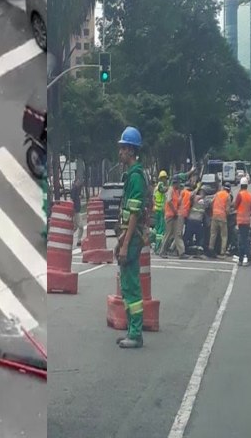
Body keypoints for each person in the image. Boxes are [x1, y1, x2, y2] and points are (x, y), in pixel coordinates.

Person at [114, 126, 148, 349]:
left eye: (123, 148)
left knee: (131, 286)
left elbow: (134, 214)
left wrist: (125, 245)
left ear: (130, 150)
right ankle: (131, 330)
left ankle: (135, 333)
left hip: (132, 239)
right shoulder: (132, 176)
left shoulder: (136, 177)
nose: (120, 153)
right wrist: (120, 240)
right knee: (126, 284)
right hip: (129, 235)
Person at [234, 177, 251, 266]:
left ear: (241, 185)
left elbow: (235, 206)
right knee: (243, 240)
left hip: (241, 221)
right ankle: (241, 260)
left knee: (243, 241)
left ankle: (249, 259)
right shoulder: (250, 196)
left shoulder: (240, 195)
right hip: (247, 220)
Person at [159, 176, 180, 259]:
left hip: (173, 215)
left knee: (174, 234)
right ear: (175, 183)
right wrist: (174, 210)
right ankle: (162, 251)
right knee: (168, 234)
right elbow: (169, 201)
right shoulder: (171, 190)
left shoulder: (175, 191)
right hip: (170, 215)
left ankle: (175, 250)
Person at [209, 184, 231, 258]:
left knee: (213, 234)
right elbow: (227, 210)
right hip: (222, 217)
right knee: (224, 236)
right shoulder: (228, 196)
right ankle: (222, 252)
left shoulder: (217, 194)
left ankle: (211, 249)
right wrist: (228, 213)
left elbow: (211, 202)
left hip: (214, 216)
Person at [185, 187, 206, 251]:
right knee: (199, 236)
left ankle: (186, 246)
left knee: (187, 235)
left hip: (191, 219)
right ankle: (198, 247)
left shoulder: (195, 198)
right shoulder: (203, 200)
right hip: (198, 221)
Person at [178, 182, 192, 255]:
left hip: (180, 212)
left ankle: (173, 248)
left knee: (179, 232)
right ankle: (175, 248)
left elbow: (179, 201)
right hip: (185, 214)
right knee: (179, 233)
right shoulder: (189, 194)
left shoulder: (183, 192)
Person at [70, 177, 84, 247]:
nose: (79, 183)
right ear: (75, 182)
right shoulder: (74, 189)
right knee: (81, 226)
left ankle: (68, 237)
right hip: (76, 211)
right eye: (78, 181)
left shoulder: (76, 189)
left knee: (75, 227)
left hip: (77, 210)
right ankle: (78, 240)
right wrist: (73, 208)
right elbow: (72, 199)